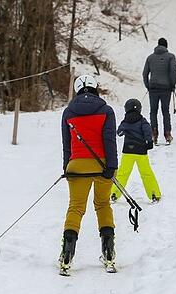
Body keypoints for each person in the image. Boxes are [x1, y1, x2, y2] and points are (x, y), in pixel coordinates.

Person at [59, 74, 119, 273]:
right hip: (103, 165)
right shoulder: (106, 111)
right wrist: (112, 166)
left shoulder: (68, 112)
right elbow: (110, 140)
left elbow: (67, 144)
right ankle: (109, 252)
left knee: (75, 207)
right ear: (95, 88)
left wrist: (66, 167)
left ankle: (67, 254)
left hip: (77, 165)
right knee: (102, 205)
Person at [111, 98, 161, 204]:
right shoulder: (142, 121)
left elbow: (119, 132)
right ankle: (154, 194)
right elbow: (147, 130)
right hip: (141, 152)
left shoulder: (125, 121)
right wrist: (149, 141)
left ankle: (114, 193)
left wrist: (125, 131)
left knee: (123, 173)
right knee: (146, 173)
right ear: (139, 109)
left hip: (128, 152)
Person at [142, 37, 176, 145]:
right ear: (166, 46)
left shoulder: (150, 58)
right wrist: (173, 85)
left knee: (153, 111)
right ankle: (167, 134)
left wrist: (148, 85)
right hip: (166, 88)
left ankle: (154, 134)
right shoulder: (171, 57)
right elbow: (173, 71)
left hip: (153, 88)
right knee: (165, 111)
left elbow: (145, 73)